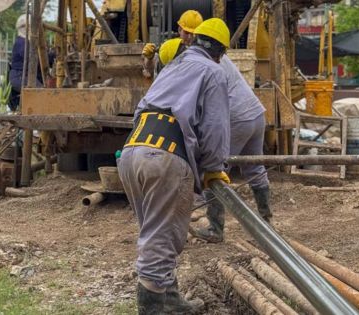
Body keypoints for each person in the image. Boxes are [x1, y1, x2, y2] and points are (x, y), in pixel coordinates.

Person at [117, 18, 231, 314]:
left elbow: (143, 108)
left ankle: (169, 299)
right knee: (164, 236)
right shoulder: (213, 72)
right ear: (220, 51)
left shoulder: (172, 67)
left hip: (131, 152)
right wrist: (214, 168)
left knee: (153, 230)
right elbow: (215, 127)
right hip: (165, 156)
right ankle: (153, 307)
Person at [151, 13, 273, 244]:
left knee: (212, 169)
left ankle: (216, 228)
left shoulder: (201, 63)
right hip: (256, 114)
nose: (183, 36)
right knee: (255, 168)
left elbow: (207, 113)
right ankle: (267, 221)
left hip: (236, 118)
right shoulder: (216, 57)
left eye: (185, 32)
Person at [141, 10, 202, 78]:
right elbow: (149, 72)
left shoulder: (204, 53)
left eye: (193, 34)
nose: (190, 37)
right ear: (179, 30)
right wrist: (149, 58)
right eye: (187, 32)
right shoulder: (172, 49)